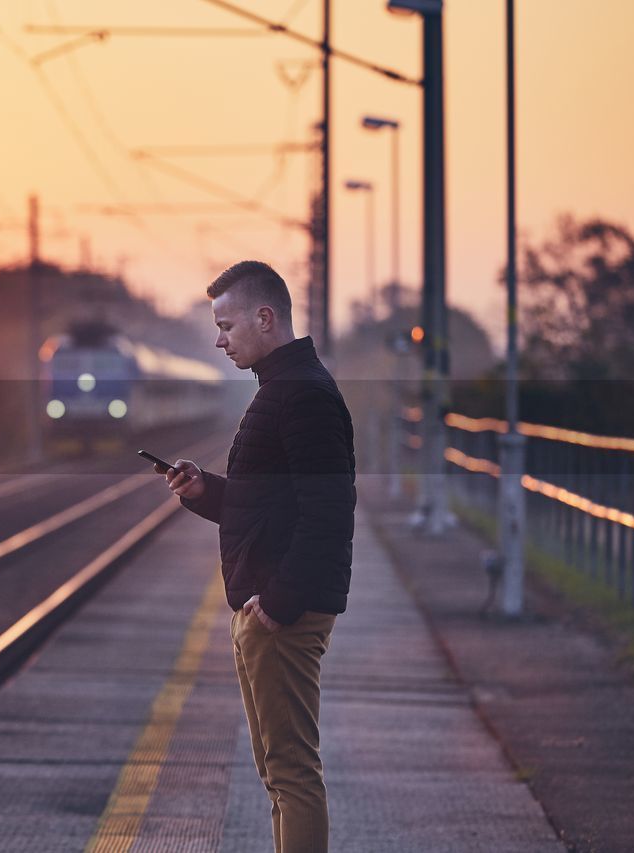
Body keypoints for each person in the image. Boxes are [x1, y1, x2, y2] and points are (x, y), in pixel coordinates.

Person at [154, 260, 356, 853]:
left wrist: (278, 604)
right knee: (278, 773)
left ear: (265, 317)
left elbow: (328, 512)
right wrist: (203, 491)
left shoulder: (303, 396)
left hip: (281, 614)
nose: (219, 340)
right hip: (267, 606)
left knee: (291, 774)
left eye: (226, 325)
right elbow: (269, 504)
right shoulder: (284, 389)